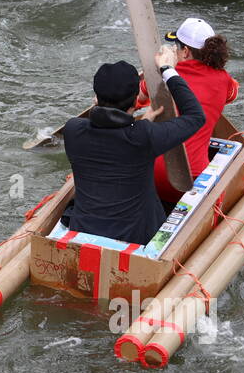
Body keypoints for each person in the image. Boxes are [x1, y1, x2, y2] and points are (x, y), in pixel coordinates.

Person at [60, 49, 206, 246]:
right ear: (136, 97)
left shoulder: (73, 130)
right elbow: (196, 116)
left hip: (83, 228)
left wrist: (137, 125)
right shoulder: (144, 137)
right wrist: (167, 69)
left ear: (96, 97)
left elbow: (110, 139)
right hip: (136, 238)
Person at [138, 18, 240, 203]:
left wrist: (158, 67)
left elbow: (138, 99)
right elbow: (232, 95)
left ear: (185, 51)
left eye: (176, 46)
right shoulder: (225, 81)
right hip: (189, 181)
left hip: (148, 178)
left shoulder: (159, 77)